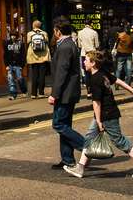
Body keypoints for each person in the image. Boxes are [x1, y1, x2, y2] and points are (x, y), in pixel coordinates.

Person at [63, 51, 133, 180]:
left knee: (118, 140)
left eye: (86, 60)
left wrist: (99, 121)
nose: (84, 62)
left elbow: (96, 103)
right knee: (89, 138)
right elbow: (117, 80)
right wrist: (131, 90)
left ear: (93, 63)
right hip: (103, 114)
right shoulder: (102, 72)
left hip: (107, 114)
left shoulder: (95, 79)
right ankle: (80, 168)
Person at [49, 21, 85, 169]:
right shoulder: (70, 44)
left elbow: (61, 72)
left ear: (58, 31)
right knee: (65, 124)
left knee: (58, 124)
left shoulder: (64, 47)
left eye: (54, 31)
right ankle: (67, 159)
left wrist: (54, 94)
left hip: (65, 93)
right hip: (69, 91)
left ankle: (86, 147)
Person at [25, 20, 50, 98]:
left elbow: (28, 42)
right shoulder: (44, 33)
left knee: (34, 74)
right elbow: (47, 41)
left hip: (33, 56)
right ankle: (41, 93)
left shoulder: (29, 33)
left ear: (33, 25)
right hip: (43, 56)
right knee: (42, 75)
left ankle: (33, 94)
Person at [3, 31, 26, 100]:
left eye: (14, 35)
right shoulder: (7, 43)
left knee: (19, 78)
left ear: (17, 36)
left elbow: (23, 55)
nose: (13, 37)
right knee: (11, 80)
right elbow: (5, 55)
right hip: (10, 65)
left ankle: (24, 90)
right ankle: (13, 94)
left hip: (18, 65)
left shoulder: (20, 43)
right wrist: (6, 65)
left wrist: (22, 65)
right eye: (12, 35)